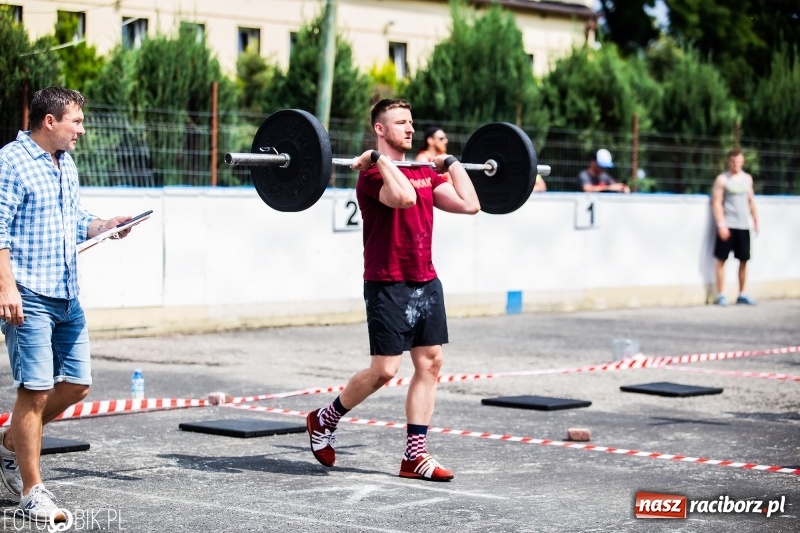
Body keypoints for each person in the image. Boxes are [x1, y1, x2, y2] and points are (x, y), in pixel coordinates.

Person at [306, 99, 480, 481]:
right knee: (385, 370)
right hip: (387, 282)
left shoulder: (423, 171)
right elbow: (402, 198)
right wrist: (375, 159)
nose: (410, 128)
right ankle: (324, 419)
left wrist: (450, 163)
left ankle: (414, 457)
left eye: (411, 122)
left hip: (425, 279)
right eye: (400, 122)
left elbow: (470, 204)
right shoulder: (371, 177)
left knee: (430, 364)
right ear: (380, 129)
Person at [0, 87, 138, 523]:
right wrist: (7, 290)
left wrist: (105, 225)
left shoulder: (66, 162)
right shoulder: (11, 162)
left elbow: (73, 219)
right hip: (29, 295)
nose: (81, 129)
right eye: (76, 121)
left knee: (77, 385)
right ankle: (32, 493)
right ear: (50, 122)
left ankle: (8, 446)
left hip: (67, 294)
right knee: (35, 391)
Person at [711, 150, 759, 306]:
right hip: (728, 225)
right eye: (733, 161)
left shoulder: (747, 179)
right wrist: (721, 224)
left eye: (739, 161)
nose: (736, 164)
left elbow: (751, 201)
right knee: (721, 260)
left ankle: (742, 294)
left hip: (743, 226)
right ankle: (722, 294)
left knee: (743, 260)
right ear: (729, 161)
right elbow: (716, 202)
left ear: (742, 162)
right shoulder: (722, 179)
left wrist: (755, 220)